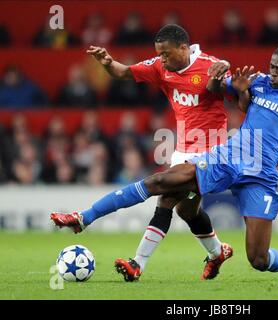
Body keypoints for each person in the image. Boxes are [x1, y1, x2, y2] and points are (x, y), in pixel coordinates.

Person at [51, 44, 278, 281]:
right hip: (231, 157)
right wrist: (237, 88)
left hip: (260, 176)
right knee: (162, 183)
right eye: (273, 65)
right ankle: (85, 217)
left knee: (258, 259)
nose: (274, 72)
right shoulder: (259, 80)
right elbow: (225, 93)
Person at [52, 24, 234, 282]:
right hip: (183, 153)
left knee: (159, 188)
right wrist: (107, 62)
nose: (162, 59)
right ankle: (217, 253)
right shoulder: (161, 66)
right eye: (159, 54)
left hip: (212, 153)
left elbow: (234, 88)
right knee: (186, 211)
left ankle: (89, 221)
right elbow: (123, 72)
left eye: (167, 54)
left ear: (184, 48)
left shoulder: (209, 66)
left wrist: (226, 69)